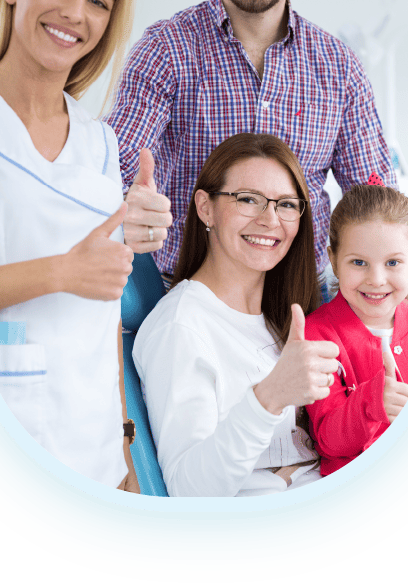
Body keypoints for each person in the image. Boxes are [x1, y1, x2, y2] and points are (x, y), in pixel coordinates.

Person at [107, 0, 408, 308]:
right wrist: (124, 204)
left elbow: (377, 202)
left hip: (304, 303)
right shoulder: (166, 50)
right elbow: (112, 171)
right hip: (187, 300)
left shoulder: (339, 67)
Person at [0, 0, 141, 491]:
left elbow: (107, 309)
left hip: (93, 443)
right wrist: (61, 272)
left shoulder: (101, 140)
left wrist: (124, 445)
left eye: (99, 0)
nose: (76, 12)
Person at [133, 134, 340, 497]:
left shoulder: (287, 319)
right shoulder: (181, 326)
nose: (270, 220)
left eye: (287, 205)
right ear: (205, 207)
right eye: (248, 200)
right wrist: (269, 397)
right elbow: (189, 490)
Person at [304, 179, 408, 475]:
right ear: (333, 261)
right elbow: (328, 440)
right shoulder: (316, 335)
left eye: (393, 263)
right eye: (359, 262)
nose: (376, 279)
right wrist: (373, 402)